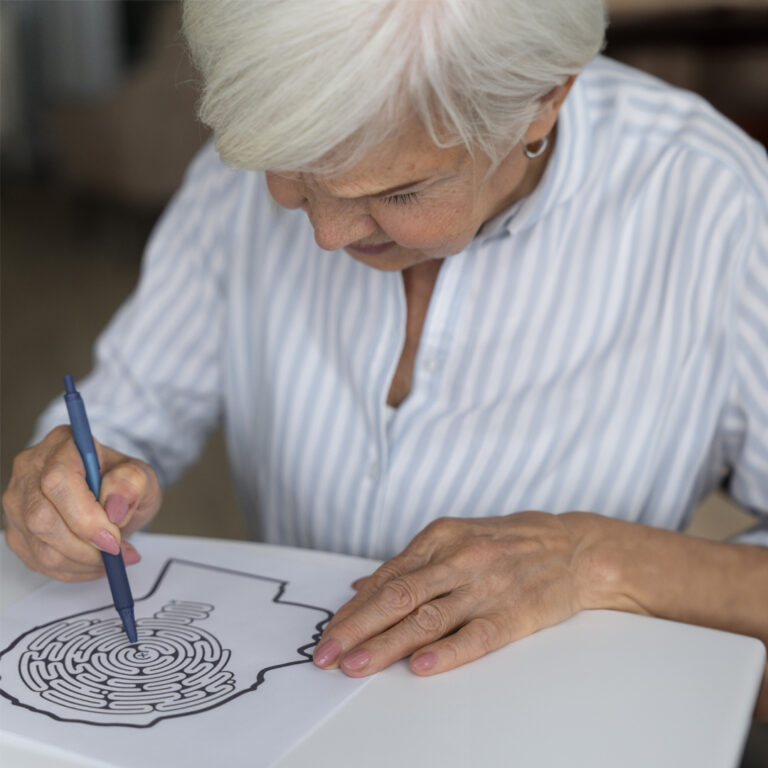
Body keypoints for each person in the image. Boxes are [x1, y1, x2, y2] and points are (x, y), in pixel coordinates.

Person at [3, 0, 768, 719]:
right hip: (292, 719)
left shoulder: (717, 206)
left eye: (401, 191)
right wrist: (70, 481)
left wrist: (594, 562)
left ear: (542, 99)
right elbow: (131, 408)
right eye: (298, 180)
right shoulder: (252, 159)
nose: (326, 237)